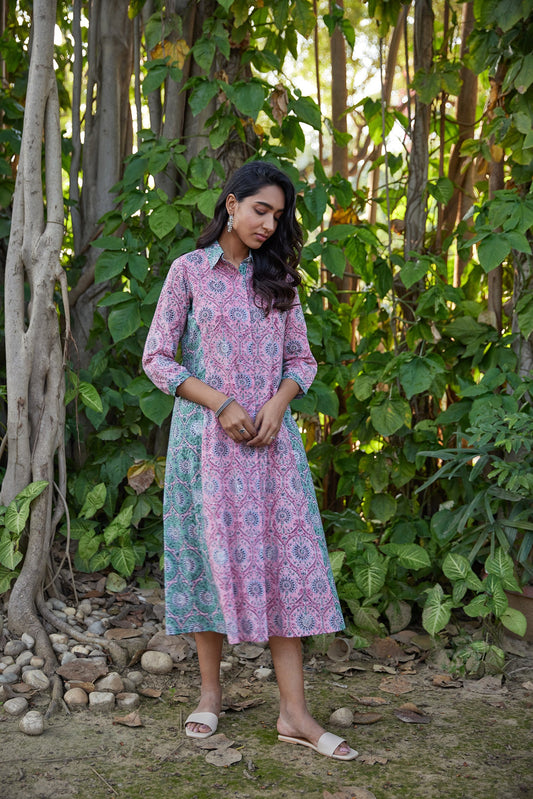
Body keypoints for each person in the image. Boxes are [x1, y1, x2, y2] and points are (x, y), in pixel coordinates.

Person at [142, 161, 357, 761]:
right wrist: (221, 403)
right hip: (207, 447)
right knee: (209, 563)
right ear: (231, 203)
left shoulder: (280, 277)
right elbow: (157, 358)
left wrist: (278, 406)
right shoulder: (188, 272)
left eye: (278, 216)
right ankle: (209, 696)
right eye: (261, 209)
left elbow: (302, 361)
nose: (269, 224)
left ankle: (294, 713)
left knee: (284, 565)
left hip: (271, 449)